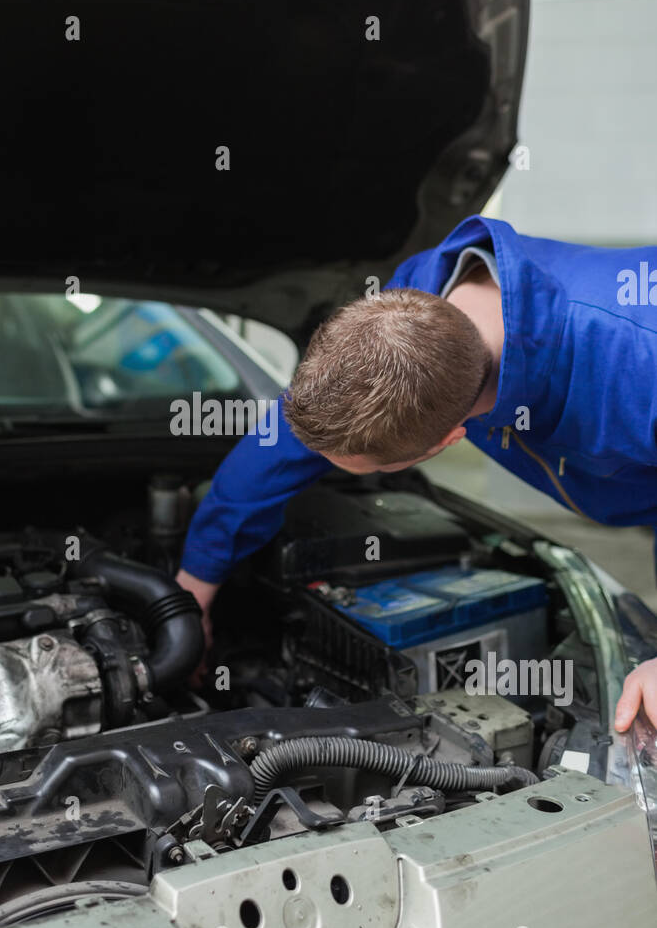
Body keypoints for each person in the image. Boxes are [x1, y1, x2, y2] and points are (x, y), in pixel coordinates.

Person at [175, 215, 657, 732]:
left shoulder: (636, 363)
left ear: (447, 442)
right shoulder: (412, 313)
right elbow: (283, 443)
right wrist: (196, 581)